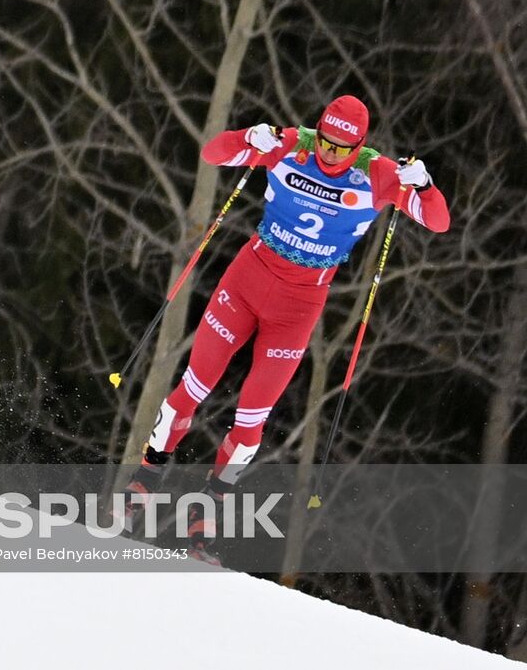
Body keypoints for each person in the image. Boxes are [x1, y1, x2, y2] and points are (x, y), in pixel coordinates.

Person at [126, 95, 451, 556]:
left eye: (342, 148)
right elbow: (213, 153)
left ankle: (208, 512)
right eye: (325, 142)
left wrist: (424, 186)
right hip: (245, 282)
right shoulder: (293, 145)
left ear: (359, 144)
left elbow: (438, 222)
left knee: (252, 418)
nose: (330, 153)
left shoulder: (378, 174)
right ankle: (145, 480)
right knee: (195, 386)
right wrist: (247, 138)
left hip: (298, 308)